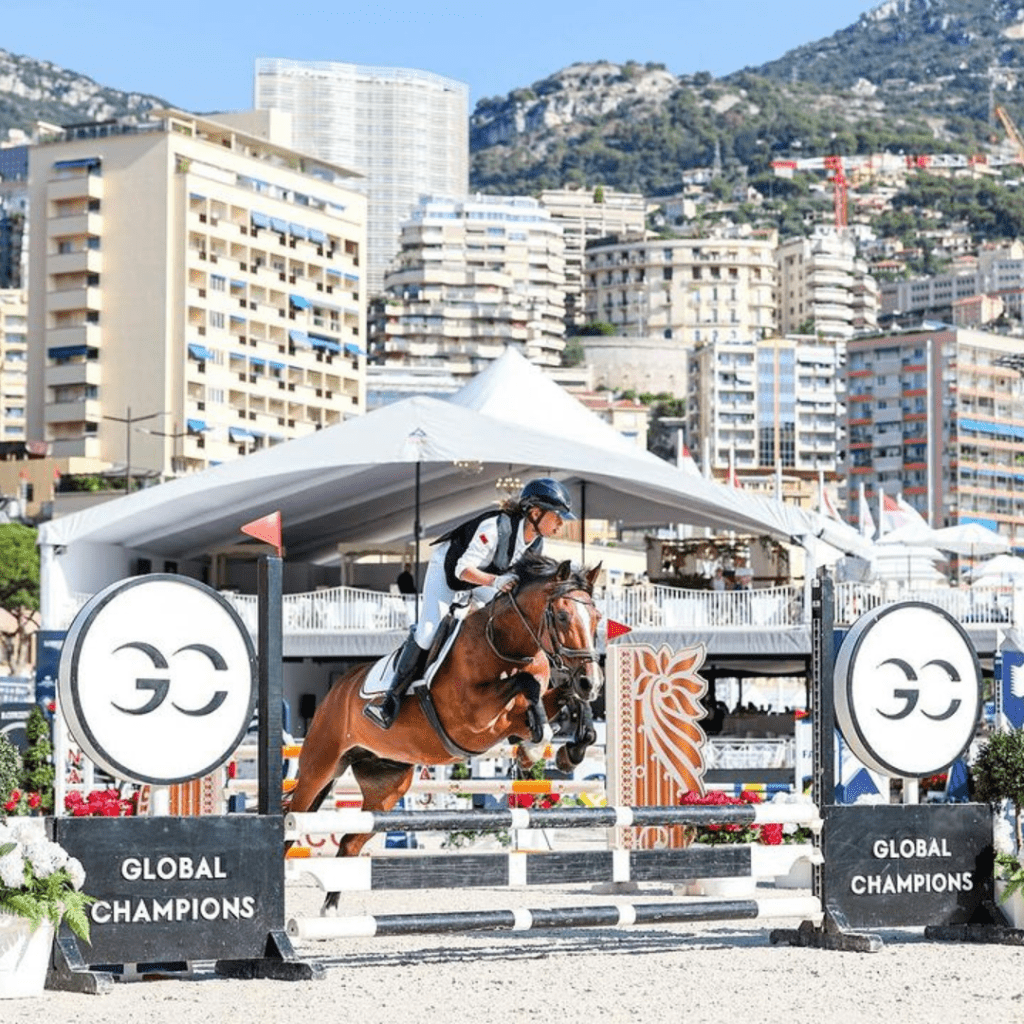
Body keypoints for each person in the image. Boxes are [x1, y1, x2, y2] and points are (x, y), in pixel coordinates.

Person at [364, 477, 576, 728]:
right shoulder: (494, 528)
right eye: (557, 516)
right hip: (449, 573)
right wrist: (495, 581)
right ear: (536, 513)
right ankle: (390, 702)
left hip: (485, 580)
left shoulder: (537, 542)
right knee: (428, 632)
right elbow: (462, 570)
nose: (561, 523)